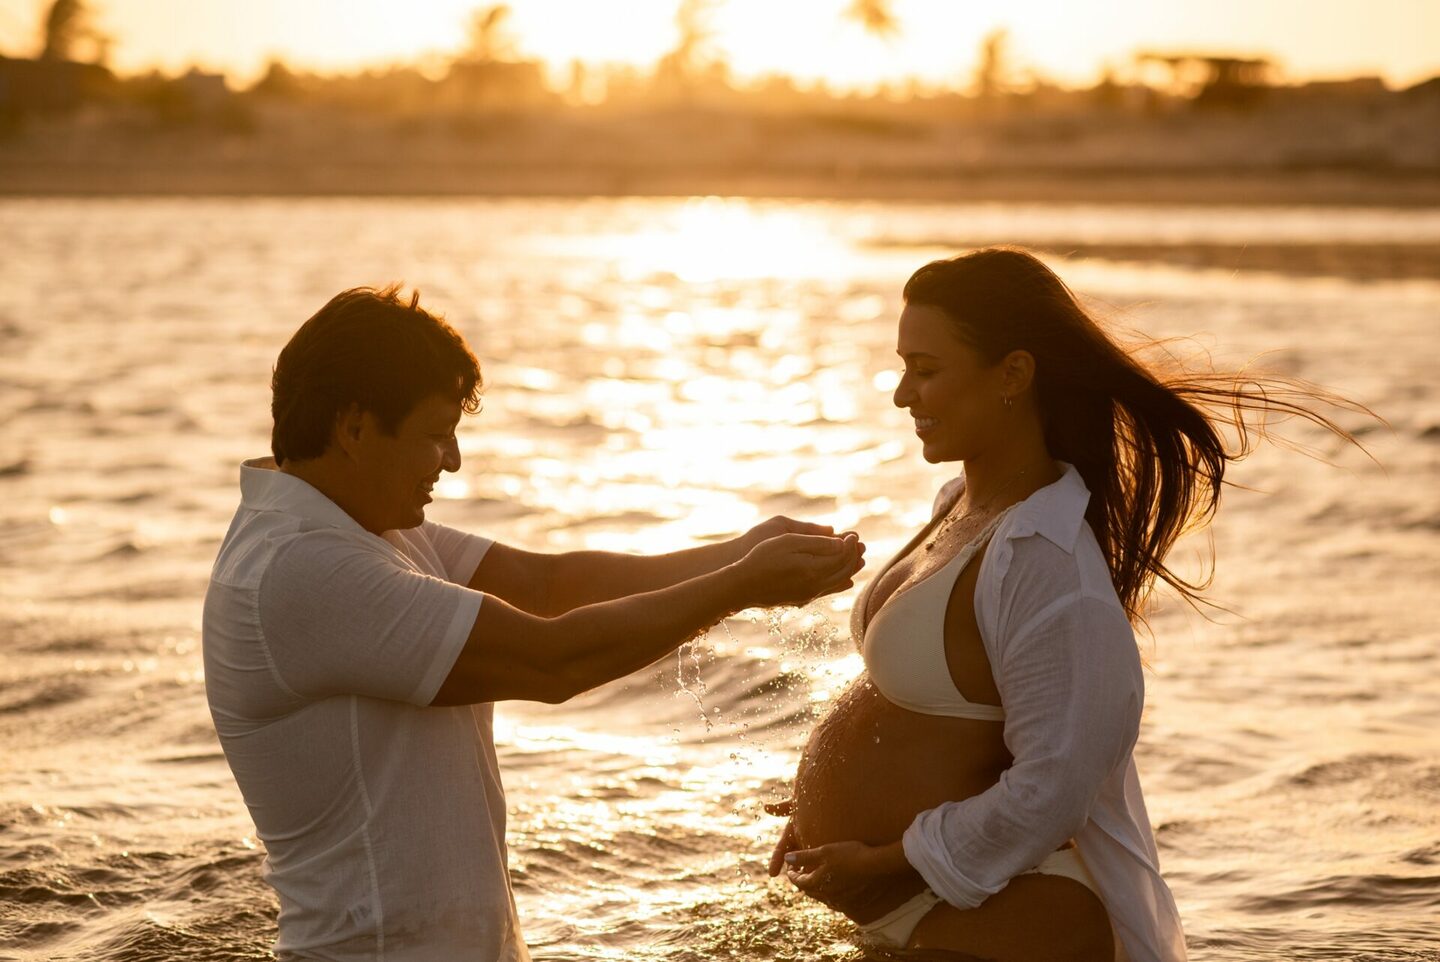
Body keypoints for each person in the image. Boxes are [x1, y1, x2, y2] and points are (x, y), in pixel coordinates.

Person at [202, 285, 865, 961]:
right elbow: (554, 660)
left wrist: (741, 549)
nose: (454, 461)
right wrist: (745, 583)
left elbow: (548, 586)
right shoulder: (302, 568)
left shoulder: (361, 531)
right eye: (436, 435)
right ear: (354, 428)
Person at [764, 248, 1359, 962]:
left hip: (1007, 917)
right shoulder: (960, 507)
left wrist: (886, 859)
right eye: (903, 367)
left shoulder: (1048, 562)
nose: (900, 395)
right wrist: (821, 814)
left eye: (925, 371)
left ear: (1013, 373)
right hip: (919, 905)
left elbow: (1053, 788)